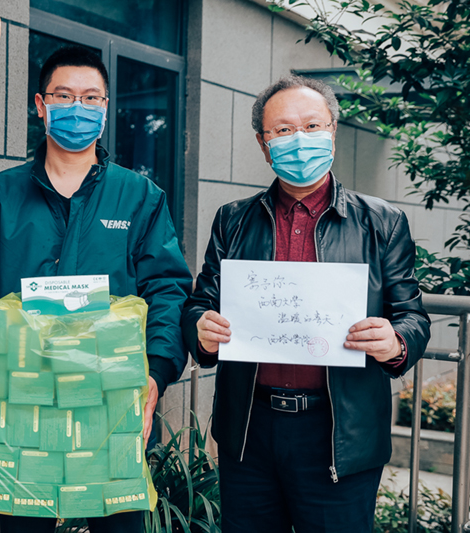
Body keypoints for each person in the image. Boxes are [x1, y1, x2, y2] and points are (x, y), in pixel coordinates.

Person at [0, 46, 191, 532]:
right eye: (64, 95)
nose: (79, 107)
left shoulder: (140, 197)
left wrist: (156, 374)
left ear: (106, 107)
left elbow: (167, 290)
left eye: (91, 98)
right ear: (41, 104)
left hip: (112, 404)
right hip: (20, 405)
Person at [181, 75, 431, 532]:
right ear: (264, 144)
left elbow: (412, 316)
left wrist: (395, 341)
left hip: (340, 433)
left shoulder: (383, 221)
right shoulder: (233, 220)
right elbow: (201, 303)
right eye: (283, 130)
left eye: (312, 126)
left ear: (333, 131)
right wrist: (202, 329)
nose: (299, 139)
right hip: (249, 431)